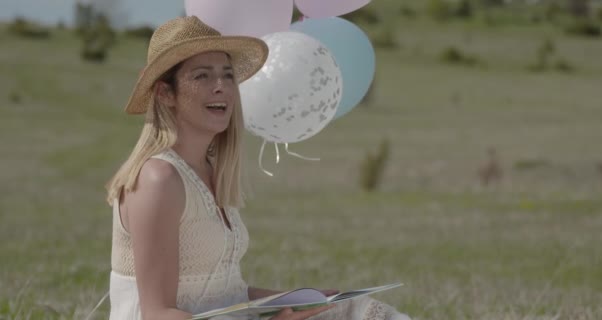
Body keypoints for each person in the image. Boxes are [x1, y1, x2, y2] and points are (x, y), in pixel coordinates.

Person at [105, 16, 411, 320]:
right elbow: (156, 314)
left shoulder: (209, 171)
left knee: (353, 310)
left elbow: (228, 295)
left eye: (227, 75)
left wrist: (300, 300)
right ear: (165, 93)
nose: (220, 87)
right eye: (202, 76)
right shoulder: (158, 179)